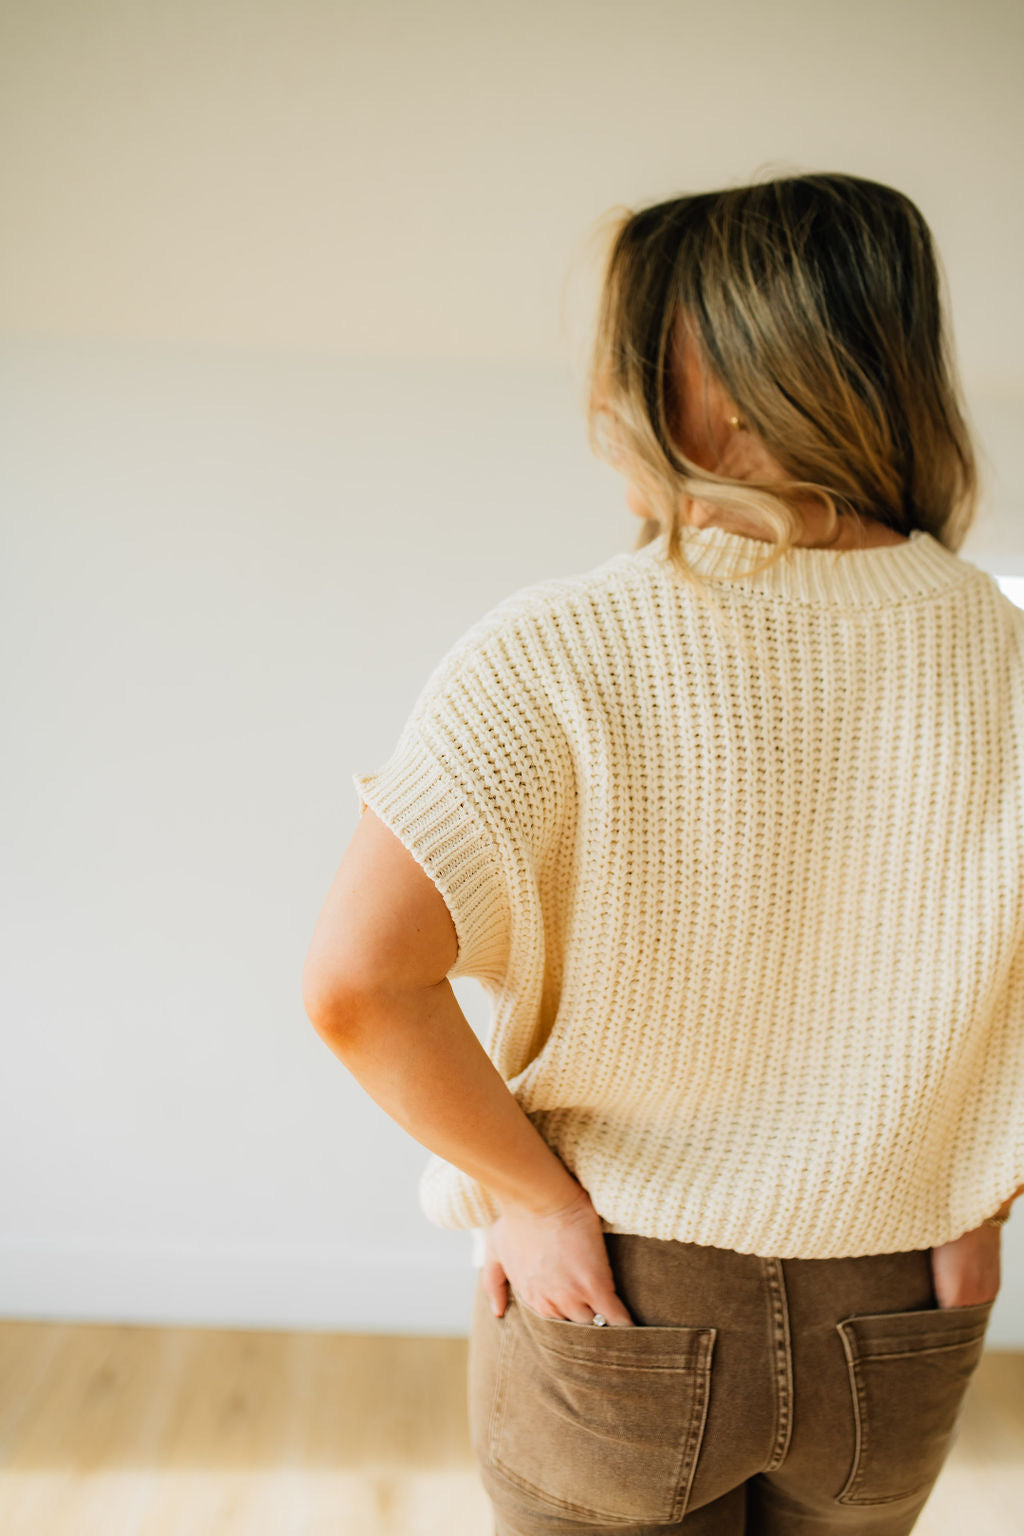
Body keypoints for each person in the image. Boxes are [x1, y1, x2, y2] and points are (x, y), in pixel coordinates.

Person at [301, 171, 1024, 1534]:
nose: (599, 403)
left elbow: (354, 981)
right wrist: (982, 1178)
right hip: (901, 1300)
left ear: (737, 389)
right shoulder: (1008, 655)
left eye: (629, 362)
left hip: (623, 1300)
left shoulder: (556, 652)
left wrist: (529, 1200)